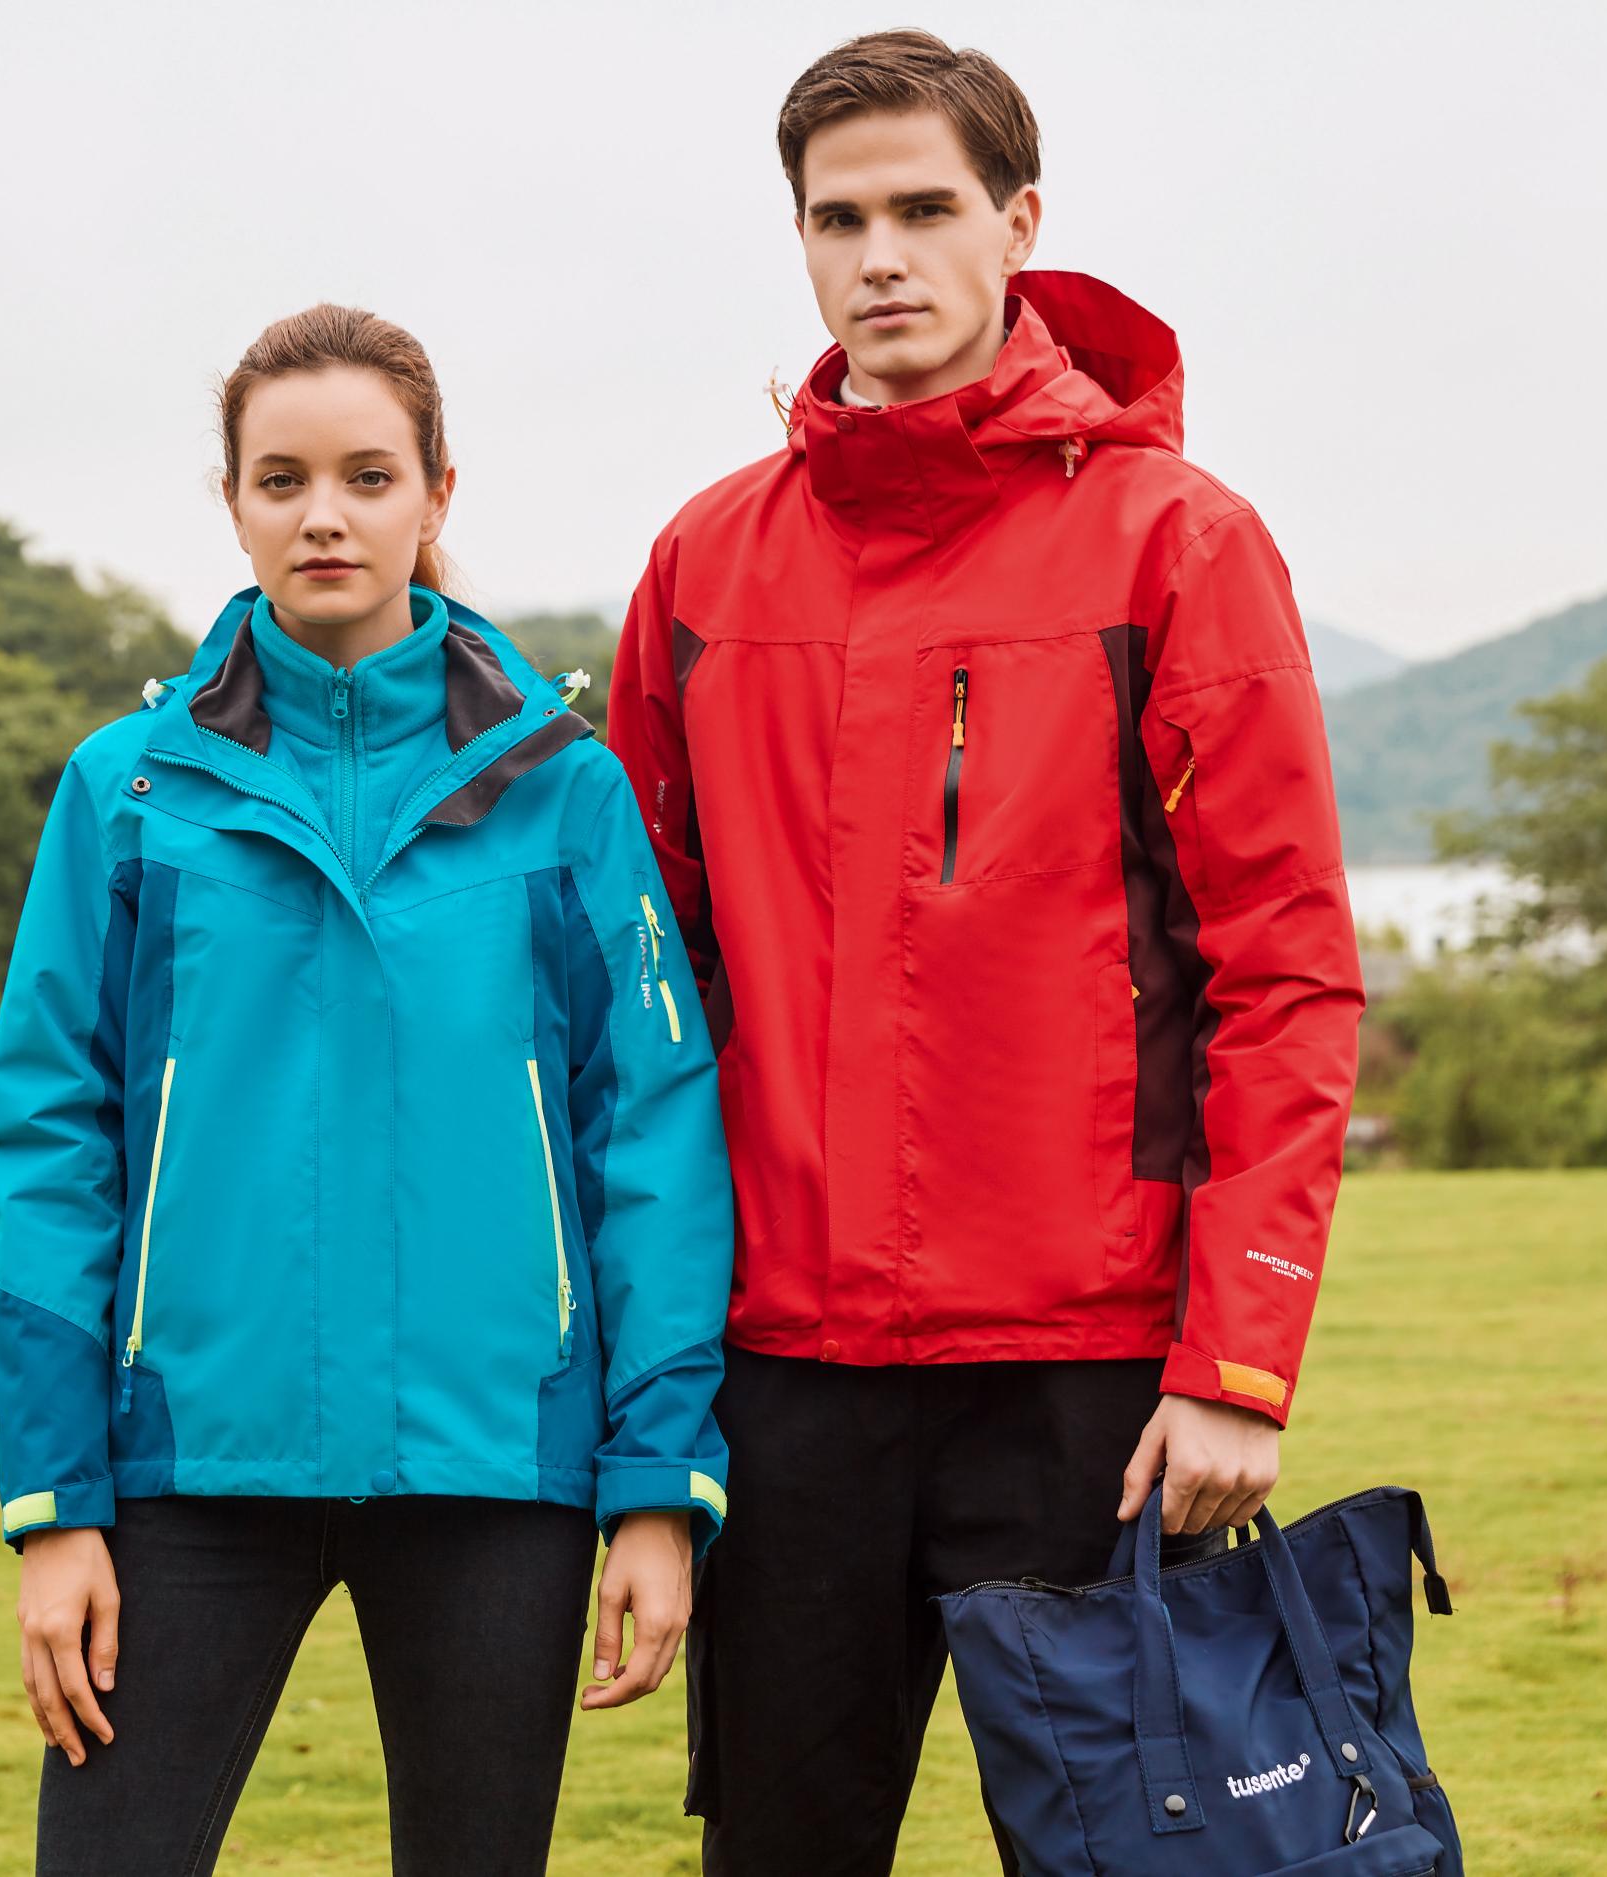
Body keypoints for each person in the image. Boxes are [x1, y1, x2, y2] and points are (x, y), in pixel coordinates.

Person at [604, 31, 1364, 1874]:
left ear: (1019, 224)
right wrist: (644, 1403)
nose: (882, 257)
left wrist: (1238, 1357)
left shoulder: (1180, 545)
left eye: (926, 209)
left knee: (1140, 1853)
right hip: (785, 1376)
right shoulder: (703, 567)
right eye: (838, 218)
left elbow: (1284, 974)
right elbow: (639, 1001)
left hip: (1090, 1378)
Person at [0, 303, 734, 1876]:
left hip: (494, 1463)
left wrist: (658, 1483)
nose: (323, 514)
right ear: (233, 503)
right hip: (185, 1464)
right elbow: (51, 1139)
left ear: (437, 493)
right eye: (282, 479)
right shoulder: (127, 791)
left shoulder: (563, 791)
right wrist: (56, 1501)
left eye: (367, 476)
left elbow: (654, 1138)